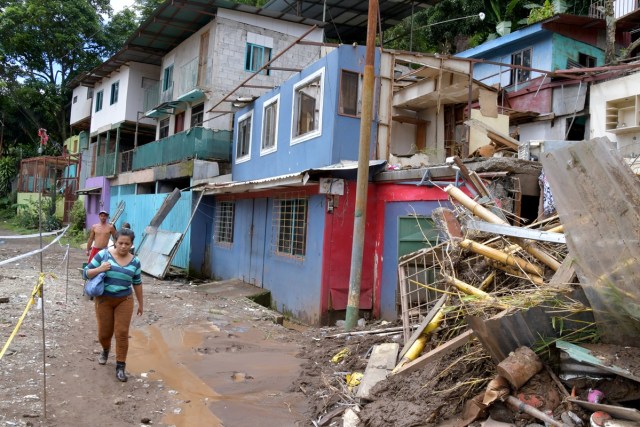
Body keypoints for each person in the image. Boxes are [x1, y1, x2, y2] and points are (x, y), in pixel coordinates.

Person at [84, 228, 143, 382]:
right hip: (104, 300)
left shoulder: (135, 262)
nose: (123, 246)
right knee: (104, 333)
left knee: (122, 333)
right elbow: (85, 273)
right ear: (115, 242)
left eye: (127, 244)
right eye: (120, 243)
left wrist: (141, 304)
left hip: (124, 300)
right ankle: (105, 349)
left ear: (131, 245)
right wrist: (100, 268)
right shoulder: (103, 255)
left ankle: (120, 366)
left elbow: (137, 283)